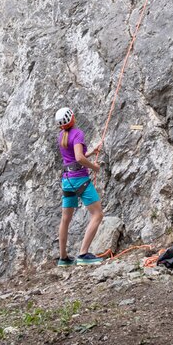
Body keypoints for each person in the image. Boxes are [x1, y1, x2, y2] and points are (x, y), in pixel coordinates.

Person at [55, 106, 104, 266]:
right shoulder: (78, 133)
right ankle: (83, 253)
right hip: (80, 179)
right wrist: (94, 167)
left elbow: (72, 158)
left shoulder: (61, 135)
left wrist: (90, 152)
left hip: (67, 181)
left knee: (65, 219)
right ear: (72, 118)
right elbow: (79, 158)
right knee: (97, 214)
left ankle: (63, 258)